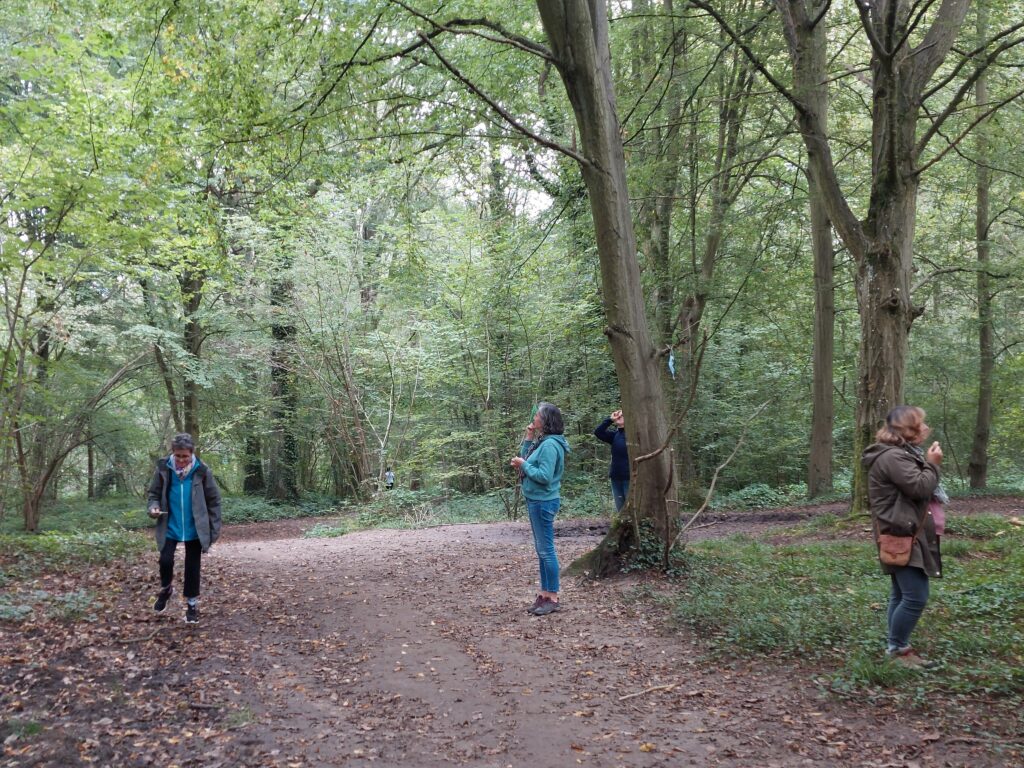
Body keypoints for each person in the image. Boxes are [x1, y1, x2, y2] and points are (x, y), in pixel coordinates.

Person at [862, 406, 944, 668]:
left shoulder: (900, 454)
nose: (925, 428)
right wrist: (932, 465)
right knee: (915, 597)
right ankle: (898, 651)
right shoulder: (893, 458)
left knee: (901, 594)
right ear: (908, 430)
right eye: (920, 424)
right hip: (902, 533)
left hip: (904, 530)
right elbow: (919, 487)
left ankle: (896, 647)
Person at [147, 433, 222, 624]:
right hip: (169, 525)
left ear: (192, 454)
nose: (181, 460)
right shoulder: (164, 468)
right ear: (172, 453)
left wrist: (213, 530)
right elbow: (153, 494)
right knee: (165, 560)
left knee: (192, 566)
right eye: (178, 456)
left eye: (185, 456)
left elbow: (214, 501)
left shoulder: (202, 471)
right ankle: (166, 589)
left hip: (195, 527)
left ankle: (192, 605)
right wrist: (153, 507)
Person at [510, 402, 570, 616]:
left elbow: (544, 476)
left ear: (545, 421)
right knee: (541, 550)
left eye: (537, 416)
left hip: (544, 501)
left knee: (546, 549)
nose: (534, 419)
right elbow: (526, 459)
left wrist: (523, 465)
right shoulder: (541, 442)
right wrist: (527, 439)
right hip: (535, 500)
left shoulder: (551, 445)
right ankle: (544, 594)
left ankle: (552, 596)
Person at [594, 409, 629, 512]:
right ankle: (622, 528)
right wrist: (610, 420)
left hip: (630, 478)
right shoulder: (615, 435)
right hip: (615, 477)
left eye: (621, 415)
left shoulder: (632, 436)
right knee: (620, 510)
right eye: (618, 415)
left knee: (630, 508)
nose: (618, 417)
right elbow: (598, 432)